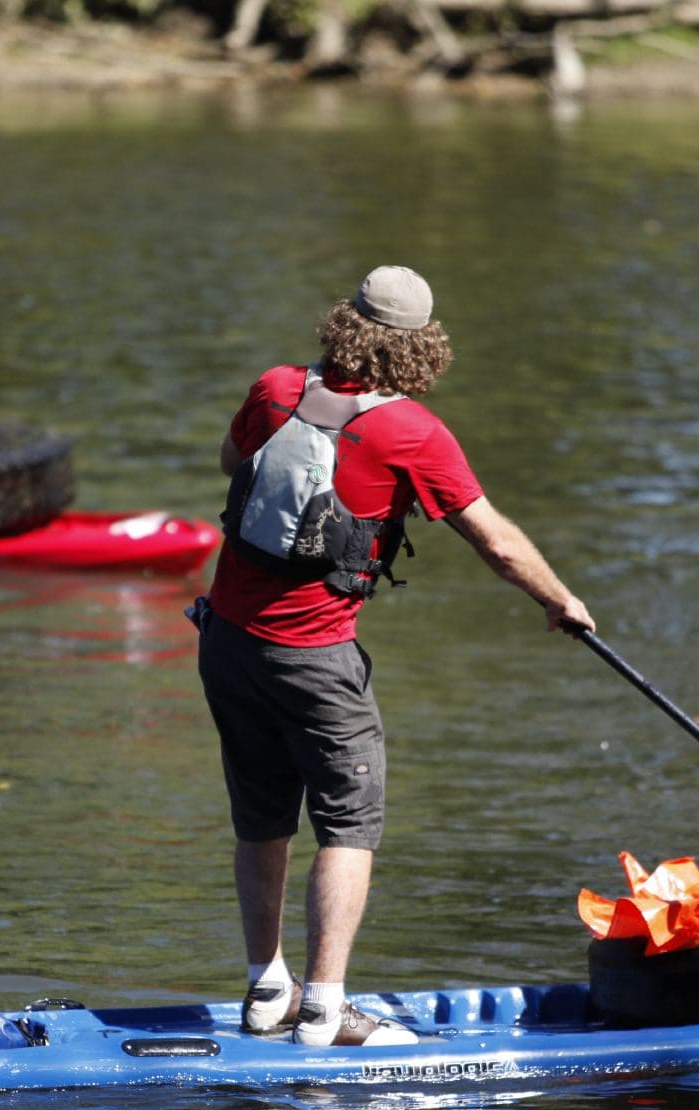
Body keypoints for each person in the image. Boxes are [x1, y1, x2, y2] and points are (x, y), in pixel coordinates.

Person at [194, 265, 596, 1048]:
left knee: (262, 817)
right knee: (348, 824)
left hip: (228, 643)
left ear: (345, 322)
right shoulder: (410, 431)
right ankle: (325, 1008)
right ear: (420, 348)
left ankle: (265, 989)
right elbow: (498, 542)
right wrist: (560, 600)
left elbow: (226, 461)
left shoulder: (275, 387)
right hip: (314, 659)